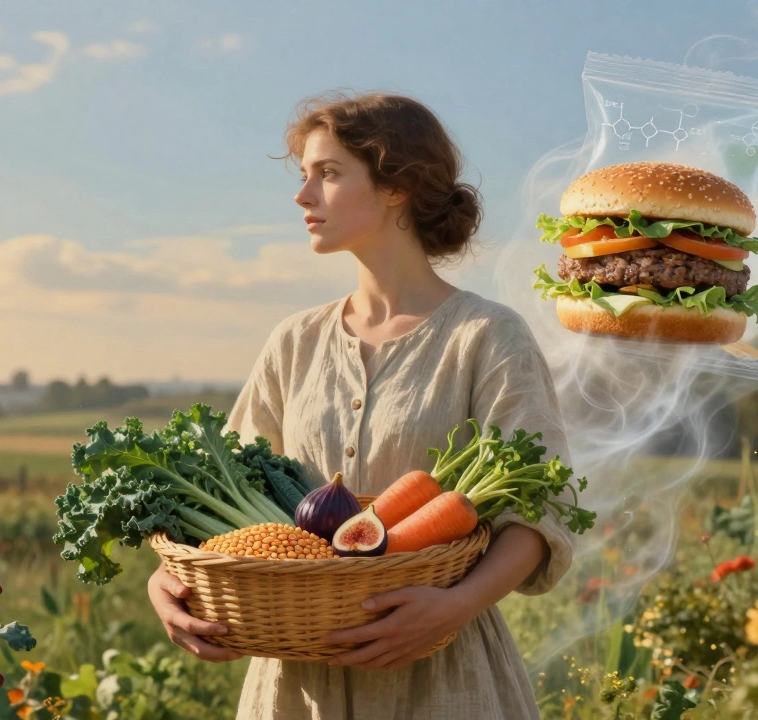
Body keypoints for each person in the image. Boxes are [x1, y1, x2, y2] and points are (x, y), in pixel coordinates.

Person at [146, 92, 576, 719]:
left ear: (397, 186)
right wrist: (167, 582)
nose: (303, 196)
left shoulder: (486, 336)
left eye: (328, 173)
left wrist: (455, 605)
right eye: (304, 176)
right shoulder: (295, 341)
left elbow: (541, 512)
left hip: (442, 675)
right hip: (297, 685)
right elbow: (215, 493)